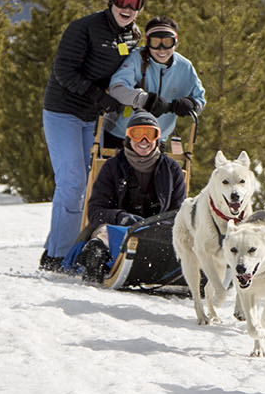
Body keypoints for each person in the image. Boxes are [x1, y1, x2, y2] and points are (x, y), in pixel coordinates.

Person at [40, 0, 145, 270]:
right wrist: (98, 96)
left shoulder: (132, 36)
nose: (127, 8)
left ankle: (61, 246)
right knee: (72, 182)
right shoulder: (84, 28)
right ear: (111, 1)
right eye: (123, 1)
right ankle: (57, 257)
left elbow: (132, 72)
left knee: (90, 186)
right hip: (63, 111)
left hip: (94, 117)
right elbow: (63, 71)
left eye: (135, 4)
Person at [75, 108, 187, 280]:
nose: (144, 141)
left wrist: (157, 225)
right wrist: (121, 217)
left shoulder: (172, 170)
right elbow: (95, 210)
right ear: (128, 137)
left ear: (157, 138)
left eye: (149, 134)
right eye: (137, 134)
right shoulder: (112, 167)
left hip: (158, 232)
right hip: (118, 228)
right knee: (104, 233)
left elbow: (179, 212)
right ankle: (95, 259)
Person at [105, 15, 206, 145]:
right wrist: (144, 100)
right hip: (123, 134)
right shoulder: (136, 59)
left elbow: (200, 99)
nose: (162, 49)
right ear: (147, 42)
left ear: (176, 42)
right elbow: (117, 89)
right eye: (155, 42)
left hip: (156, 138)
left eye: (168, 42)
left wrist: (191, 104)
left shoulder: (184, 67)